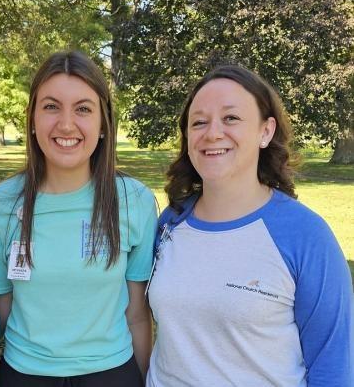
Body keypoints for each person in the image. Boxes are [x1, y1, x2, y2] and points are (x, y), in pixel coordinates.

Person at [146, 65, 352, 386]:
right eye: (199, 122)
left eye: (231, 118)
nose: (212, 132)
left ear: (265, 131)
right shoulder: (170, 222)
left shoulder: (305, 235)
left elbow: (333, 364)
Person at [0, 50, 157, 386]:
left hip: (111, 374)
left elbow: (137, 315)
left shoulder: (134, 201)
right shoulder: (2, 204)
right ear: (32, 119)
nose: (66, 124)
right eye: (51, 107)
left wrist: (144, 375)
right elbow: (1, 307)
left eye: (83, 109)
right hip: (24, 375)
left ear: (104, 123)